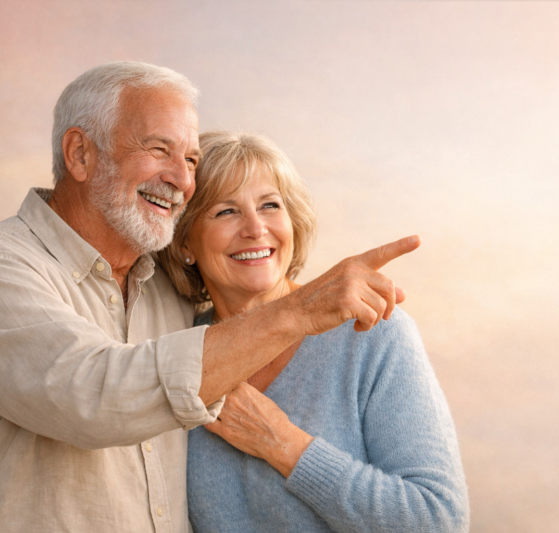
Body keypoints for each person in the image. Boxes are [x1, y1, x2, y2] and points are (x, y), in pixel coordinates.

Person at [0, 62, 419, 532]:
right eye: (158, 149)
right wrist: (300, 310)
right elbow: (94, 395)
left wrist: (285, 441)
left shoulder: (166, 294)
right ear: (80, 154)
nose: (181, 179)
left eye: (191, 160)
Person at [157, 131, 469, 533]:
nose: (255, 228)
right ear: (185, 243)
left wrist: (283, 444)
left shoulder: (371, 334)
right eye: (225, 211)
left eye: (270, 205)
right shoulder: (178, 358)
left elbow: (438, 519)